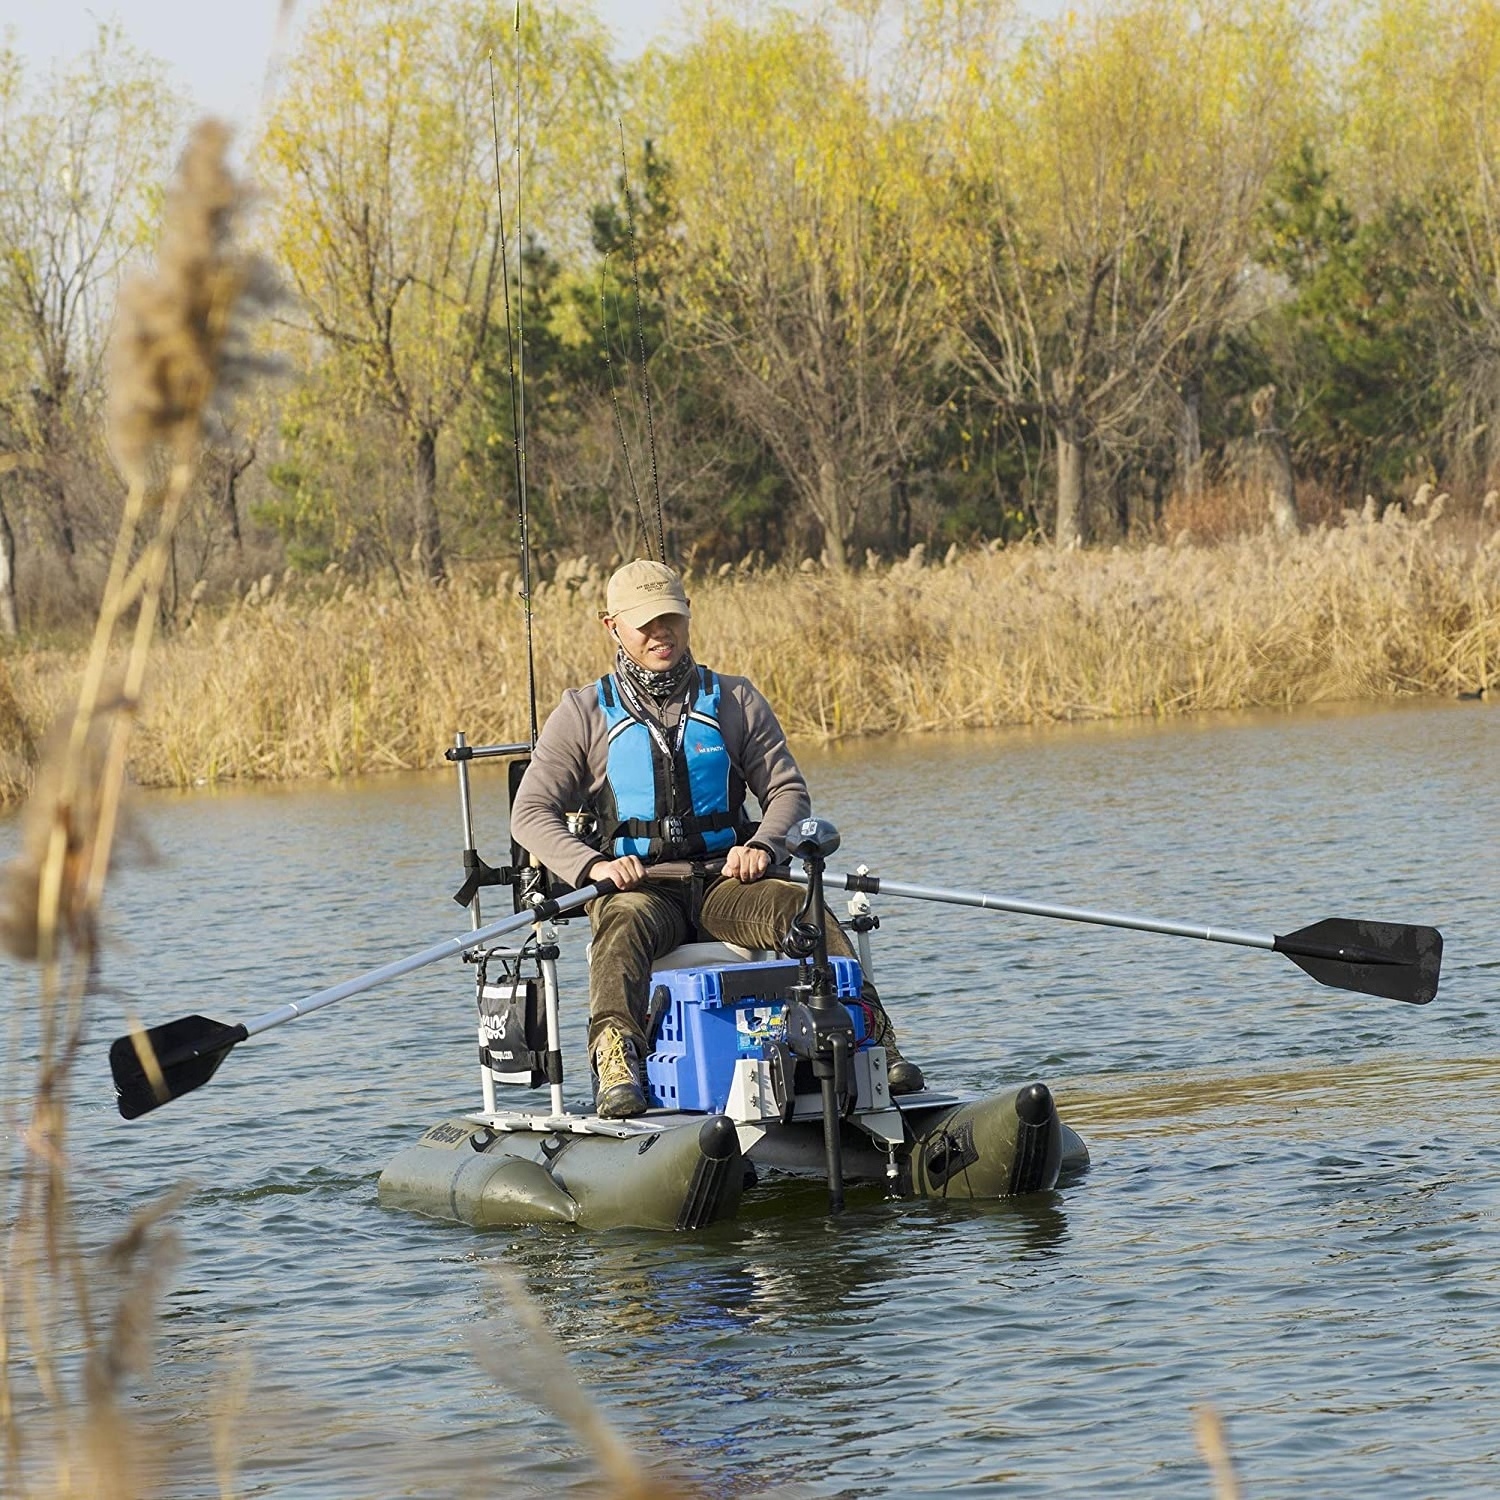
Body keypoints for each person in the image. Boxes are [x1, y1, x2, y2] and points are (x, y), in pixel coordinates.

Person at [509, 558, 924, 1118]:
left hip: (727, 884)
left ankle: (872, 1035)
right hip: (641, 889)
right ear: (611, 625)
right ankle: (617, 1062)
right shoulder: (583, 712)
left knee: (804, 905)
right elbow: (530, 813)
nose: (662, 634)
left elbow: (788, 794)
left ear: (687, 617)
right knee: (622, 925)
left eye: (671, 619)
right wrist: (591, 867)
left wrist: (764, 846)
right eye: (645, 623)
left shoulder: (734, 699)